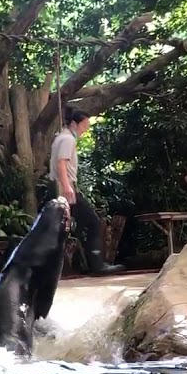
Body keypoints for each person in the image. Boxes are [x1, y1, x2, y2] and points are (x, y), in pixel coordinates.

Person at [47, 108, 124, 275]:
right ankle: (97, 265)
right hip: (65, 188)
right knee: (93, 221)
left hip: (60, 187)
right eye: (83, 127)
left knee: (76, 225)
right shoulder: (67, 139)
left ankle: (84, 263)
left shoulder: (60, 137)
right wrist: (67, 187)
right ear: (74, 124)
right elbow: (61, 163)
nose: (84, 131)